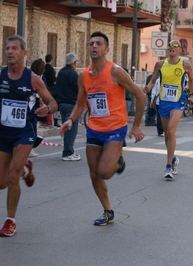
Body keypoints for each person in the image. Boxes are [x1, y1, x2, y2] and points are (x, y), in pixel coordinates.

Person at [60, 31, 145, 226]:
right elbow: (81, 103)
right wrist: (71, 120)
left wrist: (137, 125)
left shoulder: (115, 71)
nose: (94, 47)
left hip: (115, 128)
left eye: (98, 44)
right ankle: (108, 211)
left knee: (105, 172)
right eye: (91, 44)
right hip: (94, 129)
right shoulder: (83, 76)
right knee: (94, 174)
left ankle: (117, 160)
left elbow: (140, 96)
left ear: (106, 50)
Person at [0, 35, 57, 237]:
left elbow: (53, 103)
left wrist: (46, 110)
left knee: (12, 176)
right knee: (0, 183)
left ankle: (10, 220)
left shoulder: (32, 79)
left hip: (25, 133)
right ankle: (26, 169)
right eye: (7, 48)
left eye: (14, 48)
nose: (9, 52)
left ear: (23, 53)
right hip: (3, 133)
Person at [144, 40, 193, 179]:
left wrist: (191, 95)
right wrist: (147, 88)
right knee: (167, 133)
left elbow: (191, 80)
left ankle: (168, 167)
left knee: (171, 130)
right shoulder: (160, 64)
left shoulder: (185, 65)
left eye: (175, 46)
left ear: (180, 51)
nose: (172, 47)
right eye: (170, 46)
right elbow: (153, 80)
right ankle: (173, 158)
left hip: (178, 101)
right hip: (164, 101)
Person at [56, 52, 81, 161]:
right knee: (72, 129)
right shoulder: (73, 74)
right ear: (74, 63)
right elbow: (78, 89)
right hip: (71, 104)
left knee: (67, 128)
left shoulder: (61, 72)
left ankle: (69, 150)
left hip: (61, 103)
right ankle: (67, 152)